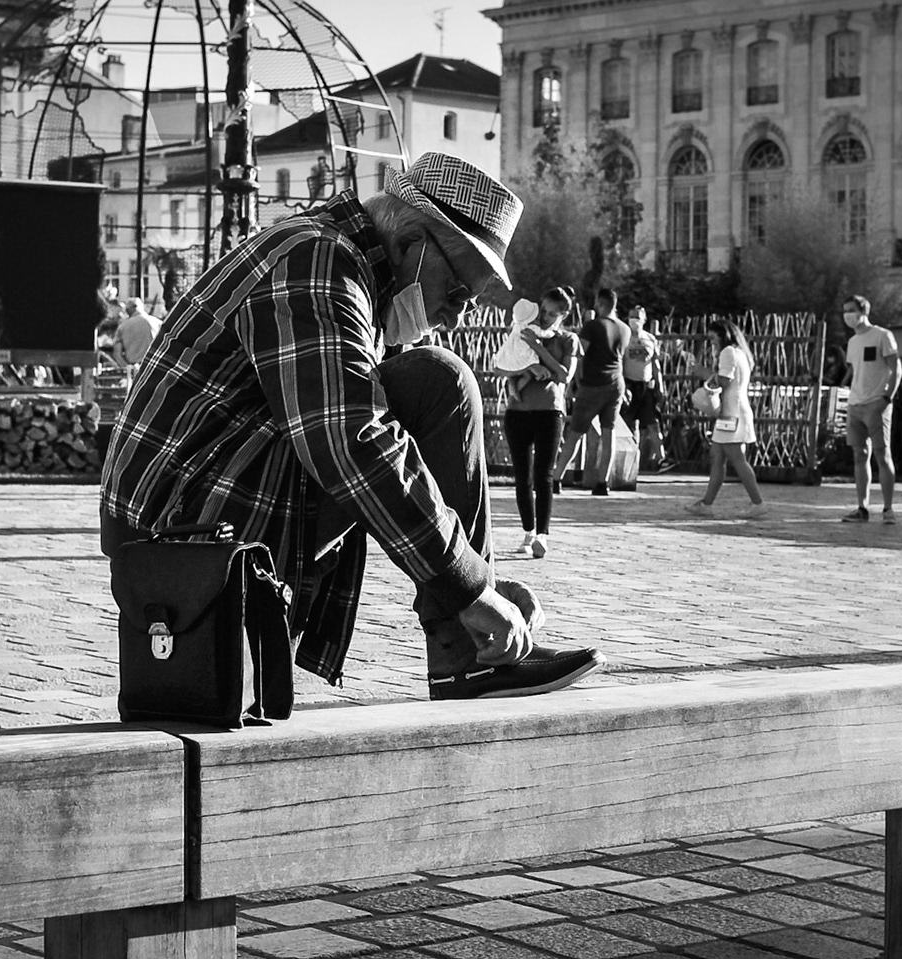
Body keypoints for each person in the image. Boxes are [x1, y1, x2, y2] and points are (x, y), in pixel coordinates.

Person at [100, 151, 601, 701]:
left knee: (427, 379)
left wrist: (477, 580)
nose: (456, 316)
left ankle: (468, 651)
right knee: (440, 381)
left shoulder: (343, 261)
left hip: (197, 513)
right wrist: (469, 587)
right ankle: (468, 651)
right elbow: (351, 442)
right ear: (413, 242)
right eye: (457, 293)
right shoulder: (317, 257)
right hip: (180, 532)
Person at [500, 287, 578, 559]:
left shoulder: (568, 339)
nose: (545, 317)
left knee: (544, 475)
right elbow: (500, 366)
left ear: (563, 314)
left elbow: (564, 375)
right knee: (522, 476)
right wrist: (527, 367)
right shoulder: (523, 330)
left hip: (549, 412)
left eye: (552, 314)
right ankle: (528, 531)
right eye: (543, 311)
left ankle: (543, 534)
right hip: (517, 412)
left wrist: (537, 348)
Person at [686, 319, 768, 517]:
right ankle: (707, 503)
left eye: (714, 339)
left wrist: (702, 372)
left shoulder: (728, 352)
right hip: (730, 412)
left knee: (737, 459)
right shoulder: (739, 353)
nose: (712, 343)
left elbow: (724, 380)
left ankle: (758, 502)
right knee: (718, 458)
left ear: (724, 336)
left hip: (733, 413)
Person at [556, 287, 629, 497]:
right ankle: (602, 482)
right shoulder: (625, 329)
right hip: (616, 383)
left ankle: (556, 478)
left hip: (593, 384)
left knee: (576, 433)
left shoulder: (593, 326)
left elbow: (579, 355)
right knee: (609, 432)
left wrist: (575, 382)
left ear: (600, 303)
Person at [839, 294, 902, 523]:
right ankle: (862, 507)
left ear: (863, 310)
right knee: (859, 455)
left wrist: (887, 398)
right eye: (845, 310)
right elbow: (856, 371)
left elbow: (896, 368)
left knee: (882, 455)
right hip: (855, 404)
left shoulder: (883, 336)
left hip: (876, 403)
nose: (847, 315)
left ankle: (888, 509)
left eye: (851, 309)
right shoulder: (853, 342)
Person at [621, 304, 667, 472]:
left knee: (653, 424)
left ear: (644, 320)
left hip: (646, 385)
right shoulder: (624, 337)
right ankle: (630, 461)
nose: (635, 320)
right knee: (629, 424)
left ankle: (661, 459)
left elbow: (655, 363)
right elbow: (619, 362)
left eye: (638, 317)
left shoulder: (650, 339)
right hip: (629, 384)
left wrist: (660, 384)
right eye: (632, 316)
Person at [112, 297, 163, 370]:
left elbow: (117, 354)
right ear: (142, 307)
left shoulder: (122, 327)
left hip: (135, 369)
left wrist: (128, 369)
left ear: (128, 310)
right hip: (155, 367)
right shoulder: (158, 323)